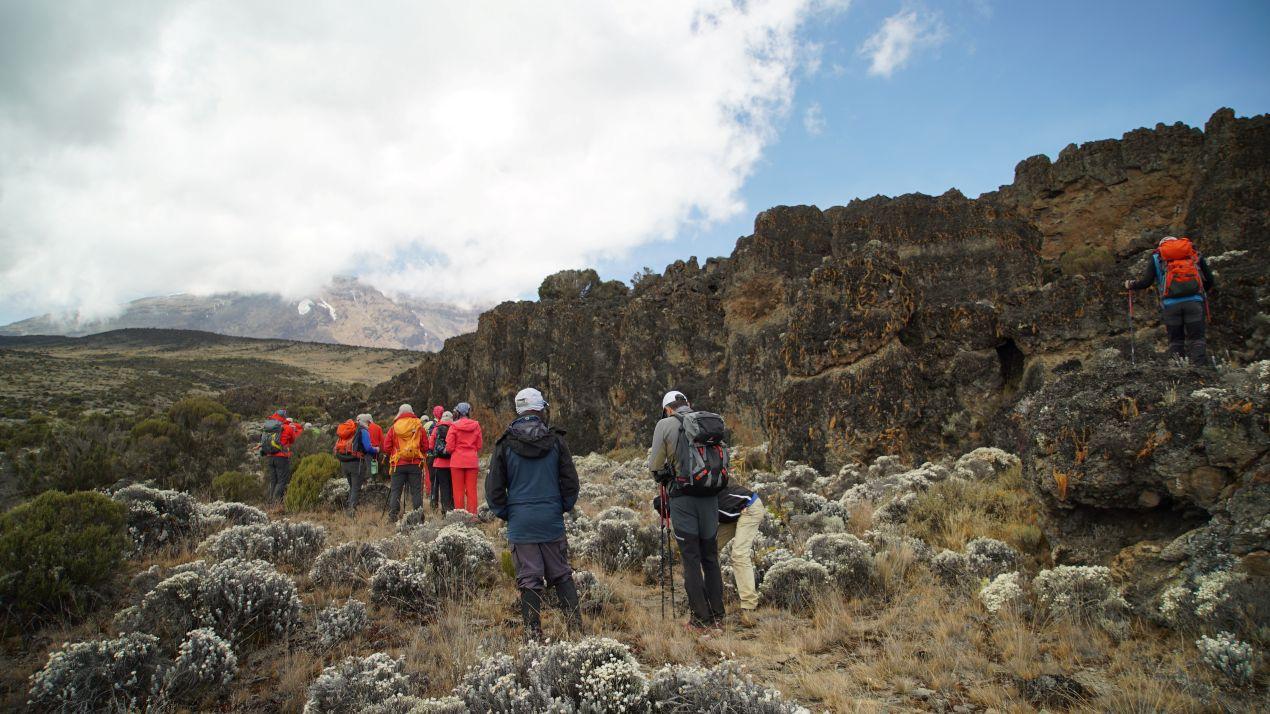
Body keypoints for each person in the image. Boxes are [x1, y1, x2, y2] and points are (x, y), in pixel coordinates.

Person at [486, 387, 582, 639]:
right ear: (540, 408)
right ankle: (576, 630)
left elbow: (494, 488)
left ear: (518, 410)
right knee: (561, 573)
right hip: (550, 518)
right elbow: (570, 482)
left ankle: (533, 635)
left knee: (528, 578)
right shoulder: (556, 440)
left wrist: (509, 513)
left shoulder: (505, 443)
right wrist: (560, 506)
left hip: (521, 521)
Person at [648, 390, 725, 631]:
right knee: (710, 557)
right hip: (711, 498)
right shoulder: (709, 422)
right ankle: (718, 615)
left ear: (667, 408)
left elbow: (655, 466)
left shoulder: (665, 424)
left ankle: (701, 620)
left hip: (683, 499)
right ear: (687, 405)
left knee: (691, 559)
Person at [1125, 235, 1215, 366]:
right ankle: (1199, 368)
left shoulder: (1157, 258)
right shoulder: (1192, 254)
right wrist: (1200, 293)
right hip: (1194, 303)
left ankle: (1178, 369)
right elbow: (1210, 280)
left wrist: (1131, 285)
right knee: (1196, 339)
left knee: (1176, 340)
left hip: (1171, 306)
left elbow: (1146, 282)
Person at [716, 484, 765, 621]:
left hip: (749, 508)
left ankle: (749, 605)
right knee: (708, 549)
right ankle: (713, 596)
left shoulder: (702, 496)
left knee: (739, 554)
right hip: (733, 511)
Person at [383, 404, 426, 521]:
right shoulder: (419, 426)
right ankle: (419, 516)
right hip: (415, 464)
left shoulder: (394, 427)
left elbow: (386, 447)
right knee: (416, 491)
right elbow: (425, 446)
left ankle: (393, 516)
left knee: (396, 491)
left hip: (398, 464)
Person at [335, 415, 379, 515]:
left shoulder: (350, 430)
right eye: (369, 423)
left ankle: (349, 508)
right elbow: (368, 448)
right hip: (356, 463)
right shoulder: (362, 431)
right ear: (367, 422)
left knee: (352, 487)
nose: (369, 425)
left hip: (344, 462)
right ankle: (351, 512)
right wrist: (376, 449)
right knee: (355, 488)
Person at [445, 402, 483, 514]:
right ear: (468, 412)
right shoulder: (476, 425)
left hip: (457, 461)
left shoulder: (453, 426)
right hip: (471, 461)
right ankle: (472, 515)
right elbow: (479, 445)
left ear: (457, 412)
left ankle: (460, 517)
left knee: (458, 491)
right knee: (471, 490)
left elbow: (450, 447)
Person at [262, 409, 303, 507]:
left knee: (273, 481)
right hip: (282, 457)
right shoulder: (287, 428)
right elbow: (293, 440)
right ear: (284, 417)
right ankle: (276, 504)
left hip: (270, 456)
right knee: (282, 481)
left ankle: (270, 503)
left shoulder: (268, 427)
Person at [429, 409, 455, 512]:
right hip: (453, 463)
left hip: (439, 463)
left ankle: (445, 510)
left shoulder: (436, 429)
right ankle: (452, 509)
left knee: (443, 488)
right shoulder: (454, 428)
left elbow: (431, 445)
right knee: (452, 487)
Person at [425, 405, 444, 508]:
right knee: (444, 482)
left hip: (430, 456)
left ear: (433, 413)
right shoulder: (446, 424)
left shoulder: (428, 425)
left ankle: (433, 504)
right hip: (442, 456)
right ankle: (445, 504)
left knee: (433, 482)